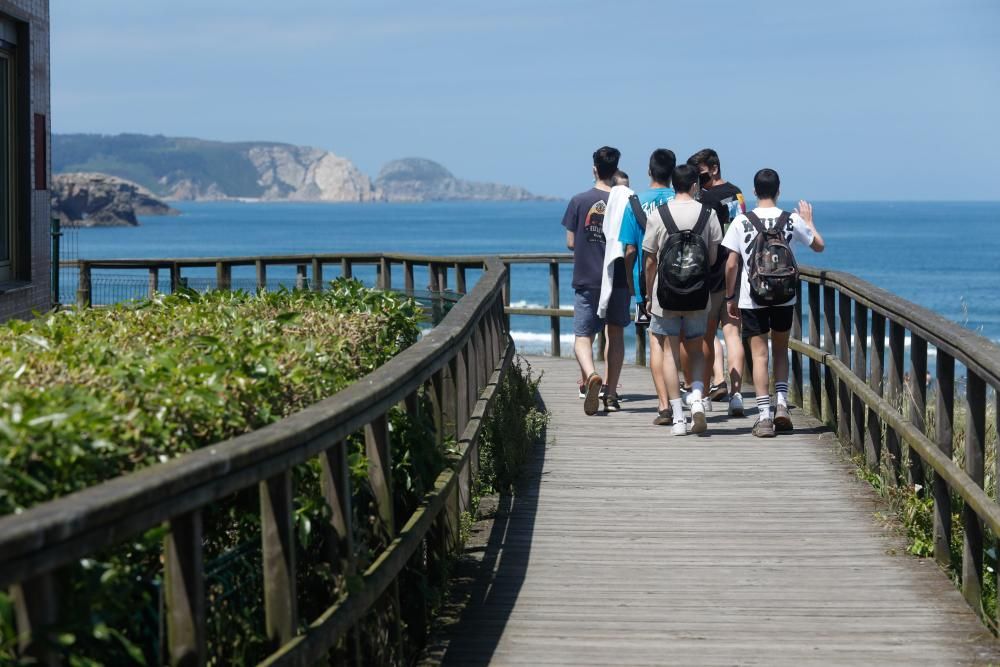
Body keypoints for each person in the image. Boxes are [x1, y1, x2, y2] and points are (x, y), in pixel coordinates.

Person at [723, 168, 825, 437]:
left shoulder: (741, 222)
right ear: (778, 191)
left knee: (759, 355)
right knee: (780, 351)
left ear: (755, 191)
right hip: (784, 297)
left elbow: (731, 264)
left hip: (751, 297)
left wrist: (729, 296)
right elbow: (819, 246)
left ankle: (764, 417)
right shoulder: (790, 220)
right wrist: (808, 221)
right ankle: (782, 405)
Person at [642, 164, 722, 435]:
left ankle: (677, 417)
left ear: (673, 184)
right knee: (697, 349)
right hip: (698, 294)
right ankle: (697, 397)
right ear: (695, 186)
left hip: (665, 296)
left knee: (669, 352)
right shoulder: (708, 214)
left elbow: (650, 259)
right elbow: (712, 258)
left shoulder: (658, 214)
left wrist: (648, 293)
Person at [562, 146, 630, 415]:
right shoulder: (625, 201)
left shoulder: (579, 201)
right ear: (615, 171)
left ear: (594, 169)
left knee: (582, 336)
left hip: (587, 277)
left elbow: (570, 241)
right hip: (619, 277)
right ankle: (611, 394)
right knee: (615, 334)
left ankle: (590, 376)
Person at [687, 148, 747, 416]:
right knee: (733, 334)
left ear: (714, 168)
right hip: (737, 272)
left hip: (713, 274)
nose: (699, 181)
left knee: (707, 336)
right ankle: (736, 395)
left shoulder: (707, 199)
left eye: (701, 173)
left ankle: (710, 389)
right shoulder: (738, 194)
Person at [619, 149, 676, 425]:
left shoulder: (635, 203)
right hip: (685, 282)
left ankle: (664, 405)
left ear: (649, 171)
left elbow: (630, 251)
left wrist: (631, 286)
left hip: (649, 283)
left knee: (657, 343)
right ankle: (690, 397)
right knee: (681, 343)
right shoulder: (683, 201)